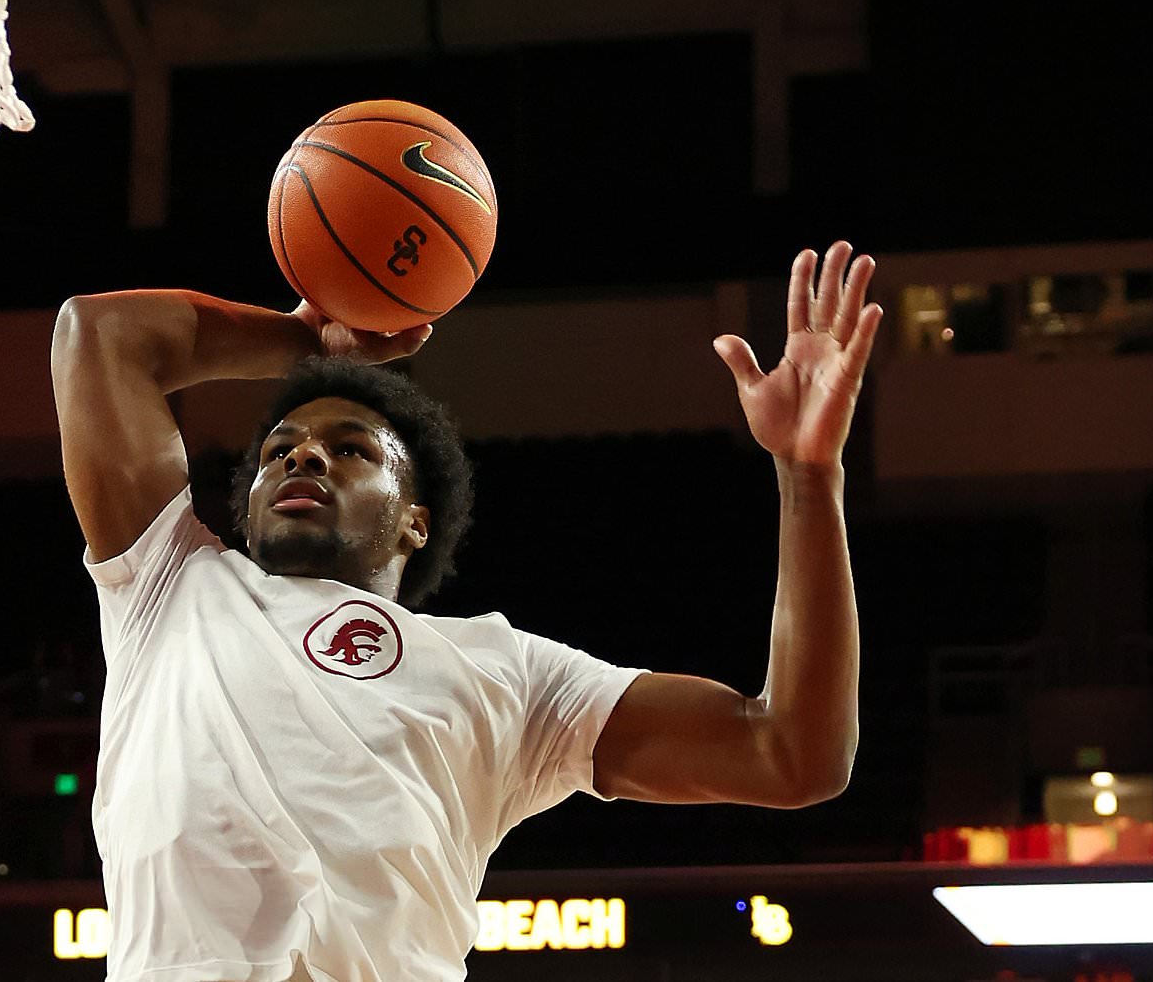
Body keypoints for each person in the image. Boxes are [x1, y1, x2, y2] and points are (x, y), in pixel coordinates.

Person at [51, 242, 883, 982]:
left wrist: (809, 477)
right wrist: (306, 342)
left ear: (415, 518)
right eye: (279, 451)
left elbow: (790, 753)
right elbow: (97, 335)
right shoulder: (169, 586)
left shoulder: (507, 669)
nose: (303, 452)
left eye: (351, 448)